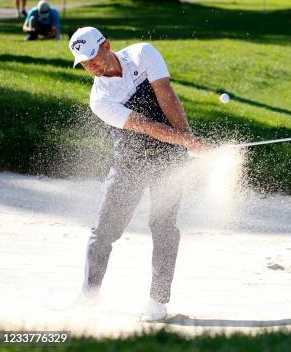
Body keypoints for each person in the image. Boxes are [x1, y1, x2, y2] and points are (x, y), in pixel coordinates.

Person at [68, 27, 211, 321]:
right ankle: (89, 294)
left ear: (106, 46)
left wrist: (187, 138)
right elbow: (144, 125)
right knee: (104, 232)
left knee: (163, 227)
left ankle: (158, 302)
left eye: (93, 57)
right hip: (129, 162)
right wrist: (187, 141)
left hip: (169, 156)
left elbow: (165, 94)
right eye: (84, 63)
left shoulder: (143, 53)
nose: (91, 66)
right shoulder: (99, 100)